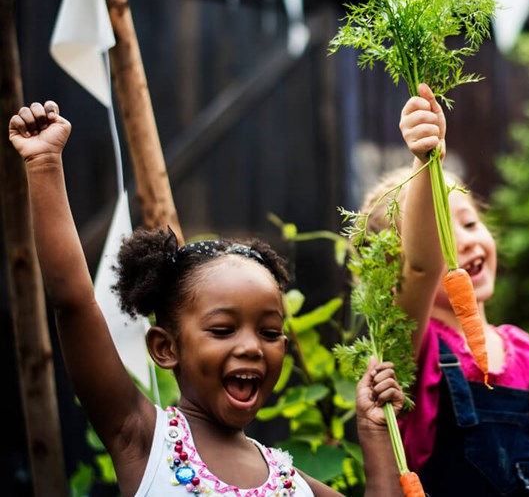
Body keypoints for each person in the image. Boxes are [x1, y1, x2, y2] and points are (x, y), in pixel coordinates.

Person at [9, 100, 405, 497]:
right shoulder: (143, 440)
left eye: (269, 332)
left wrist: (373, 434)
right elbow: (74, 304)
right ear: (165, 347)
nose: (251, 347)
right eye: (222, 329)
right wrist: (44, 164)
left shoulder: (293, 484)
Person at [361, 83, 529, 496]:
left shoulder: (523, 349)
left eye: (468, 222)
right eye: (443, 230)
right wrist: (425, 163)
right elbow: (424, 265)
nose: (463, 241)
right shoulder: (415, 346)